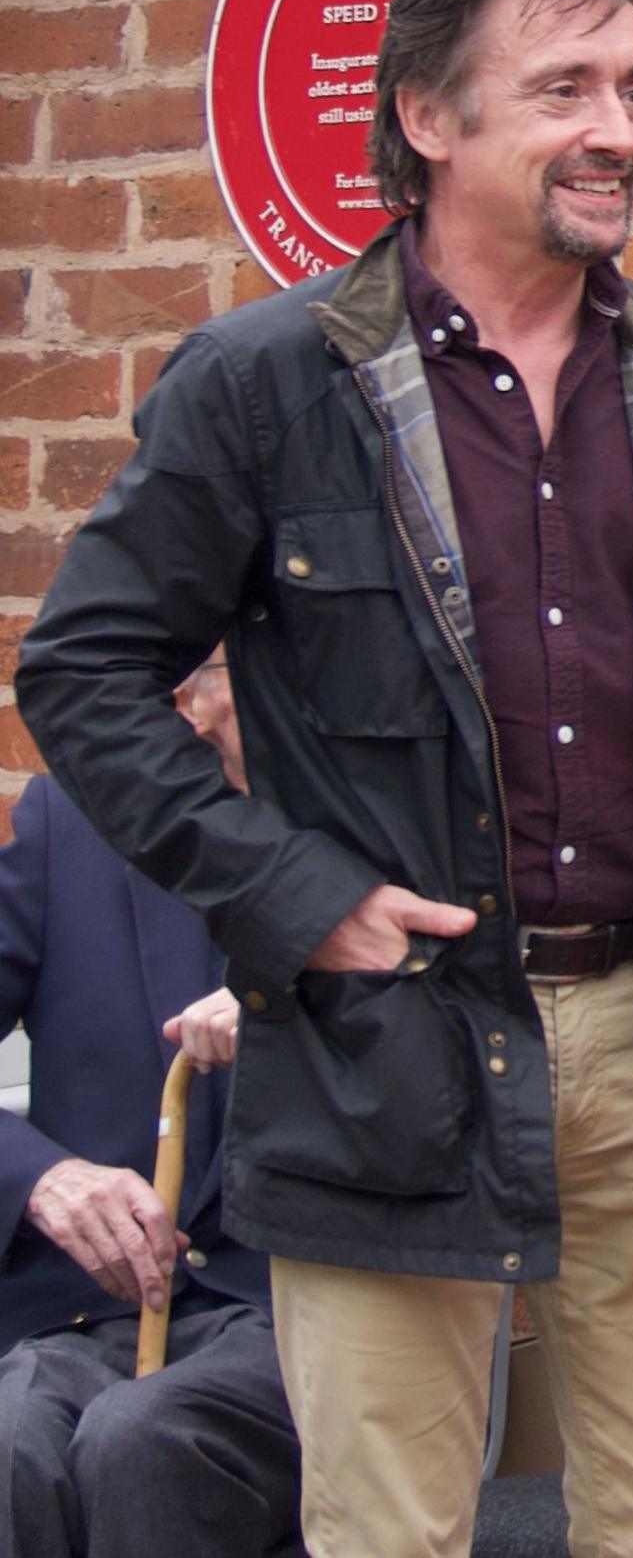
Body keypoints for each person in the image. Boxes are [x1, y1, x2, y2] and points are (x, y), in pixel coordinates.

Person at [15, 0, 633, 1557]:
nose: (617, 128)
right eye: (564, 88)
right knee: (386, 1533)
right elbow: (85, 674)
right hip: (382, 1050)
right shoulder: (269, 382)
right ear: (426, 114)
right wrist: (288, 890)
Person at [0, 661, 294, 1558]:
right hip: (76, 1318)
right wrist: (41, 1175)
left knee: (142, 1438)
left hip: (305, 1320)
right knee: (9, 1445)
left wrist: (312, 1016)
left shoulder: (410, 834)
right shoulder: (69, 825)